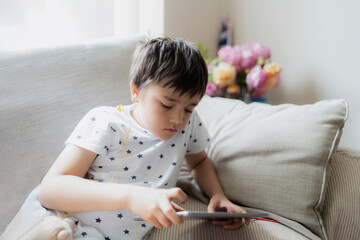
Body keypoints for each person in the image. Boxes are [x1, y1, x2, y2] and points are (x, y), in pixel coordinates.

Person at [7, 37, 250, 240]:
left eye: (189, 108)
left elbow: (198, 162)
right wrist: (131, 196)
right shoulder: (107, 123)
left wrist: (217, 195)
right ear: (136, 91)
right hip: (60, 224)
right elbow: (50, 189)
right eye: (167, 105)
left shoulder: (190, 124)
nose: (178, 119)